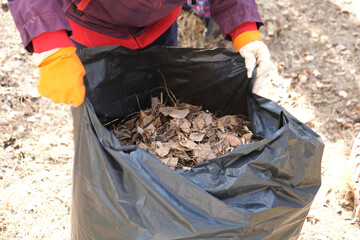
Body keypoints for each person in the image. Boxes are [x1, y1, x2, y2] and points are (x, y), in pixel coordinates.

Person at [8, 0, 271, 107]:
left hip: (160, 26)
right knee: (104, 115)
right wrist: (50, 44)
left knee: (160, 102)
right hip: (91, 29)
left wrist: (244, 29)